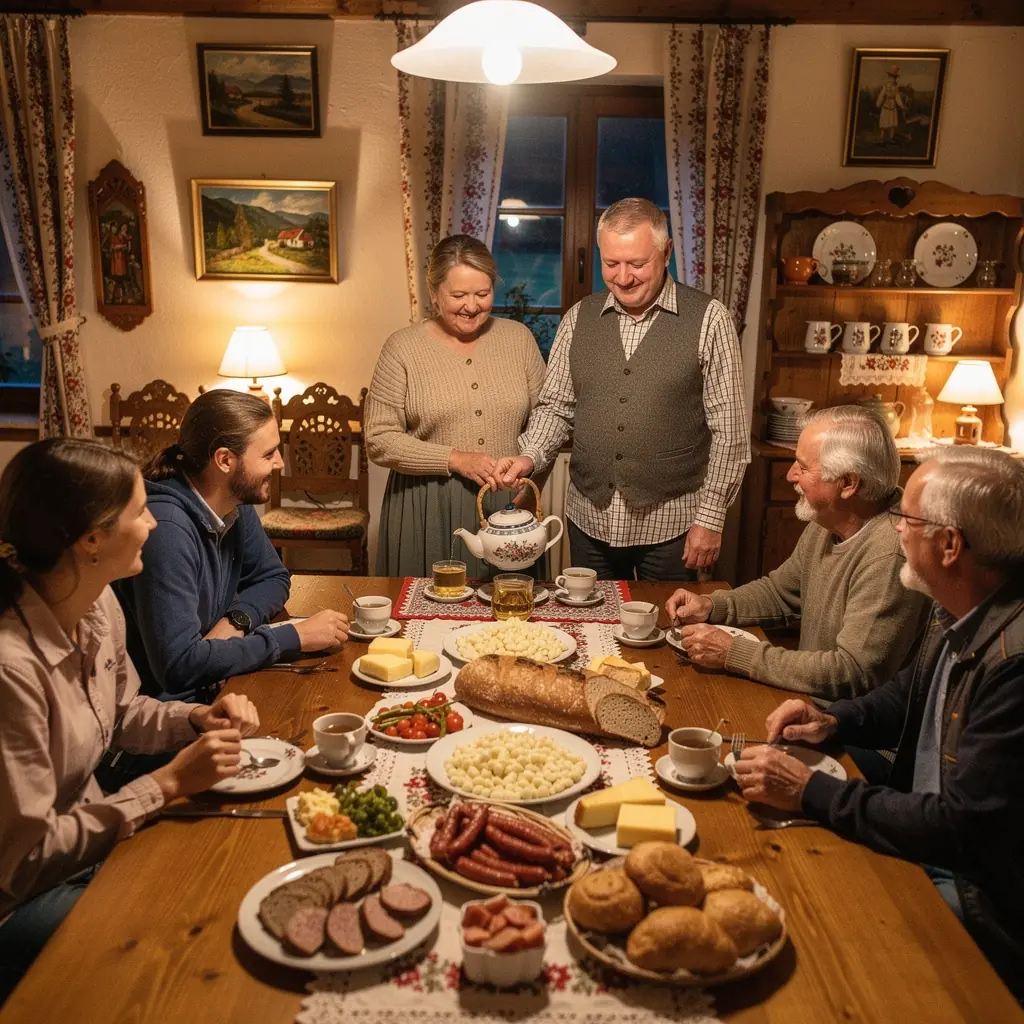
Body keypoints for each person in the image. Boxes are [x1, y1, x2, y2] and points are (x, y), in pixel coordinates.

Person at [733, 447, 1024, 1001]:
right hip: (923, 823)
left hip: (978, 898)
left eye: (907, 518)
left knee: (810, 933)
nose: (895, 530)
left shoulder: (1014, 665)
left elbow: (959, 829)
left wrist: (812, 791)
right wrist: (830, 719)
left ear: (950, 545)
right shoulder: (962, 602)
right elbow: (907, 696)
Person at [0, 439, 261, 1003]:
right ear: (91, 539)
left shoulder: (95, 603)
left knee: (226, 879)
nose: (153, 524)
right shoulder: (11, 669)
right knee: (182, 943)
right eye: (140, 511)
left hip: (90, 847)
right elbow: (27, 860)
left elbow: (121, 713)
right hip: (22, 901)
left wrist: (196, 717)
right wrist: (166, 784)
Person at [496, 198, 749, 581]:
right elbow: (556, 408)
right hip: (588, 519)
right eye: (611, 263)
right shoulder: (578, 318)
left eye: (637, 264)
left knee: (666, 619)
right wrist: (529, 457)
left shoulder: (710, 319)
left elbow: (730, 432)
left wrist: (710, 519)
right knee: (589, 617)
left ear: (666, 253)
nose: (624, 277)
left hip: (674, 524)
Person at [666, 406, 931, 703]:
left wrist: (734, 652)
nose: (791, 475)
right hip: (808, 703)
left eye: (803, 467)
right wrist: (711, 606)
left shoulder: (892, 554)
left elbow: (851, 672)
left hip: (843, 723)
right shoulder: (830, 519)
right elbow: (780, 593)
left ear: (848, 484)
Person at [115, 389, 349, 702]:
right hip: (169, 709)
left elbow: (272, 576)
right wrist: (294, 637)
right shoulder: (166, 529)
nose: (279, 463)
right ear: (225, 460)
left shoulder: (232, 500)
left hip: (215, 679)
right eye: (268, 454)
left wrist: (235, 622)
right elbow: (178, 667)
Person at [366, 234, 547, 578]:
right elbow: (378, 439)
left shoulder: (518, 339)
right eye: (459, 295)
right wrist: (454, 458)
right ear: (434, 292)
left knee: (512, 609)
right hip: (426, 507)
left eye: (482, 293)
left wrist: (529, 488)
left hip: (508, 505)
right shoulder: (401, 348)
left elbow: (547, 422)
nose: (472, 306)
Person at [875, 66, 905, 146]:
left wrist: (901, 105)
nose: (893, 79)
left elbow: (897, 97)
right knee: (884, 124)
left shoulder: (896, 87)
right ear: (889, 77)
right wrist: (878, 103)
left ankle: (890, 139)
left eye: (894, 78)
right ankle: (881, 139)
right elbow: (881, 95)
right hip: (886, 106)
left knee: (893, 124)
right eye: (891, 77)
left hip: (893, 107)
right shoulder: (885, 86)